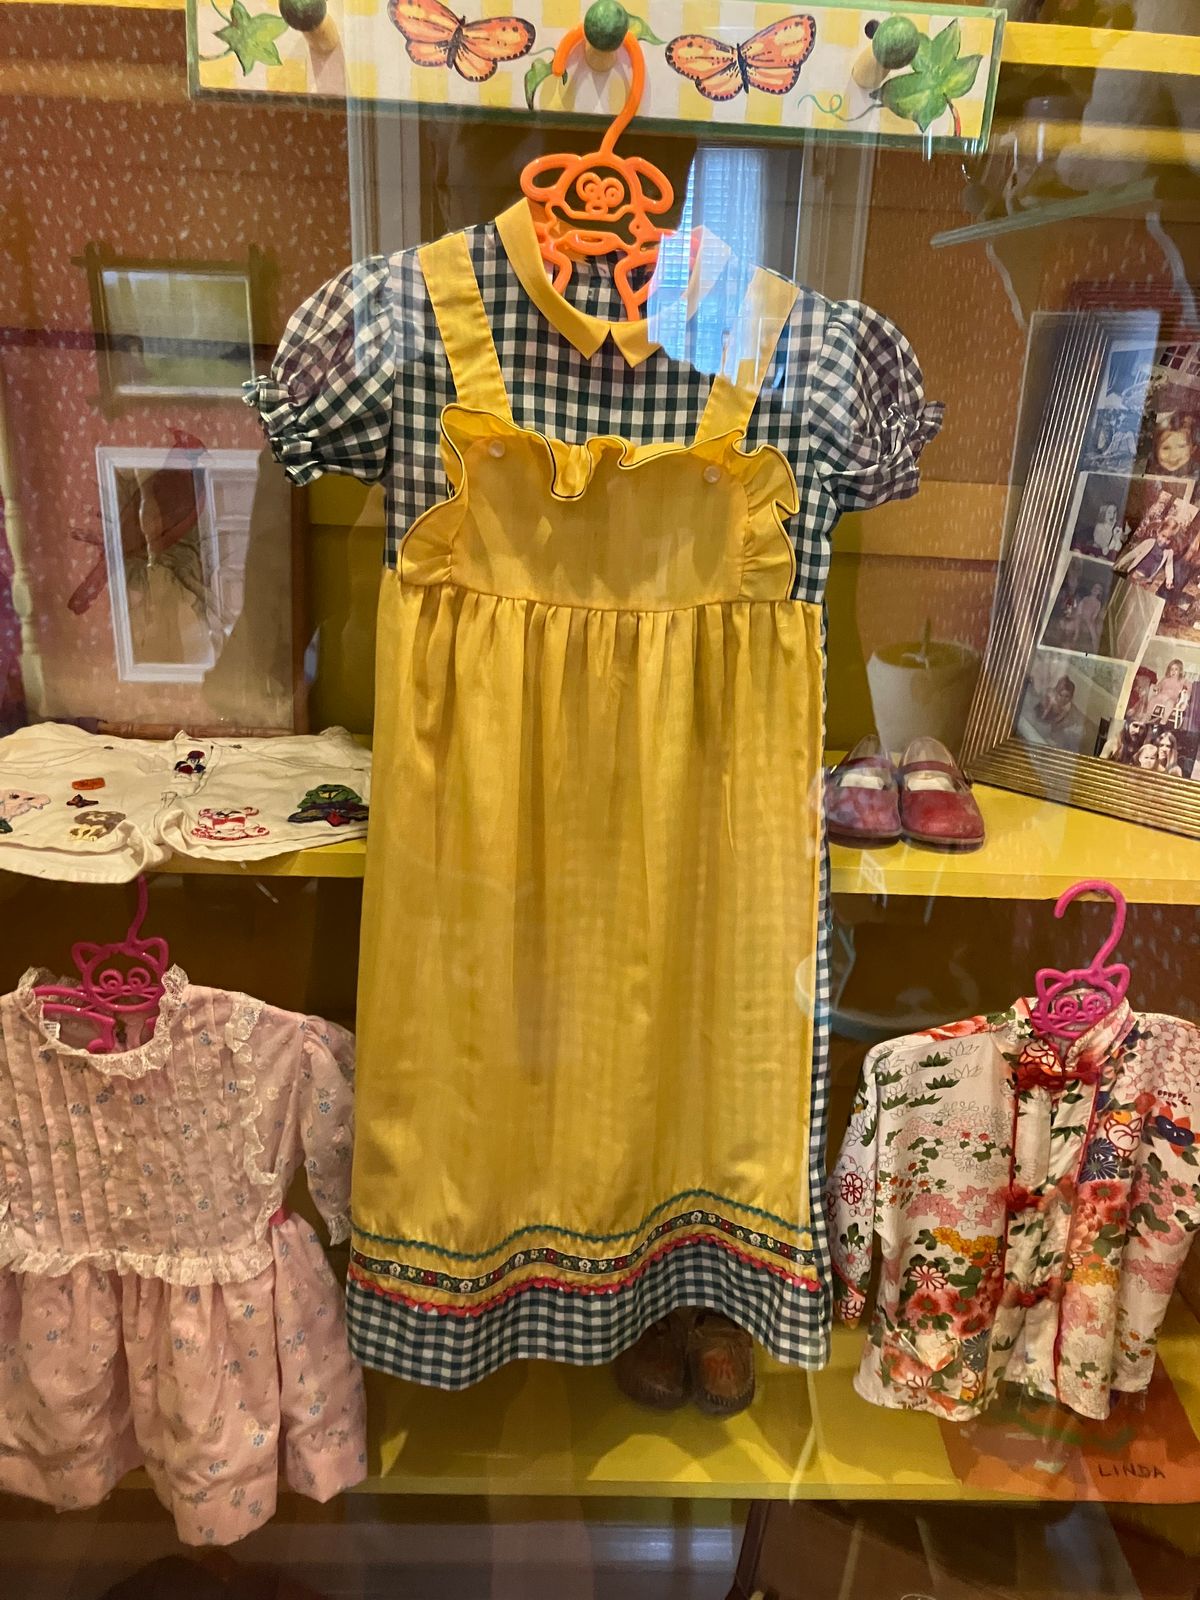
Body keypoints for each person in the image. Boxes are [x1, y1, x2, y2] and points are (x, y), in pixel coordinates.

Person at [1115, 522, 1176, 591]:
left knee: (1135, 594)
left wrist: (1169, 580)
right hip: (1134, 574)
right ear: (1158, 532)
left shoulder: (1168, 552)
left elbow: (1169, 566)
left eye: (1168, 539)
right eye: (1163, 536)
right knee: (1124, 590)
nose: (1164, 541)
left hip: (1146, 581)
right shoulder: (1149, 542)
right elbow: (1134, 553)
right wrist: (1122, 562)